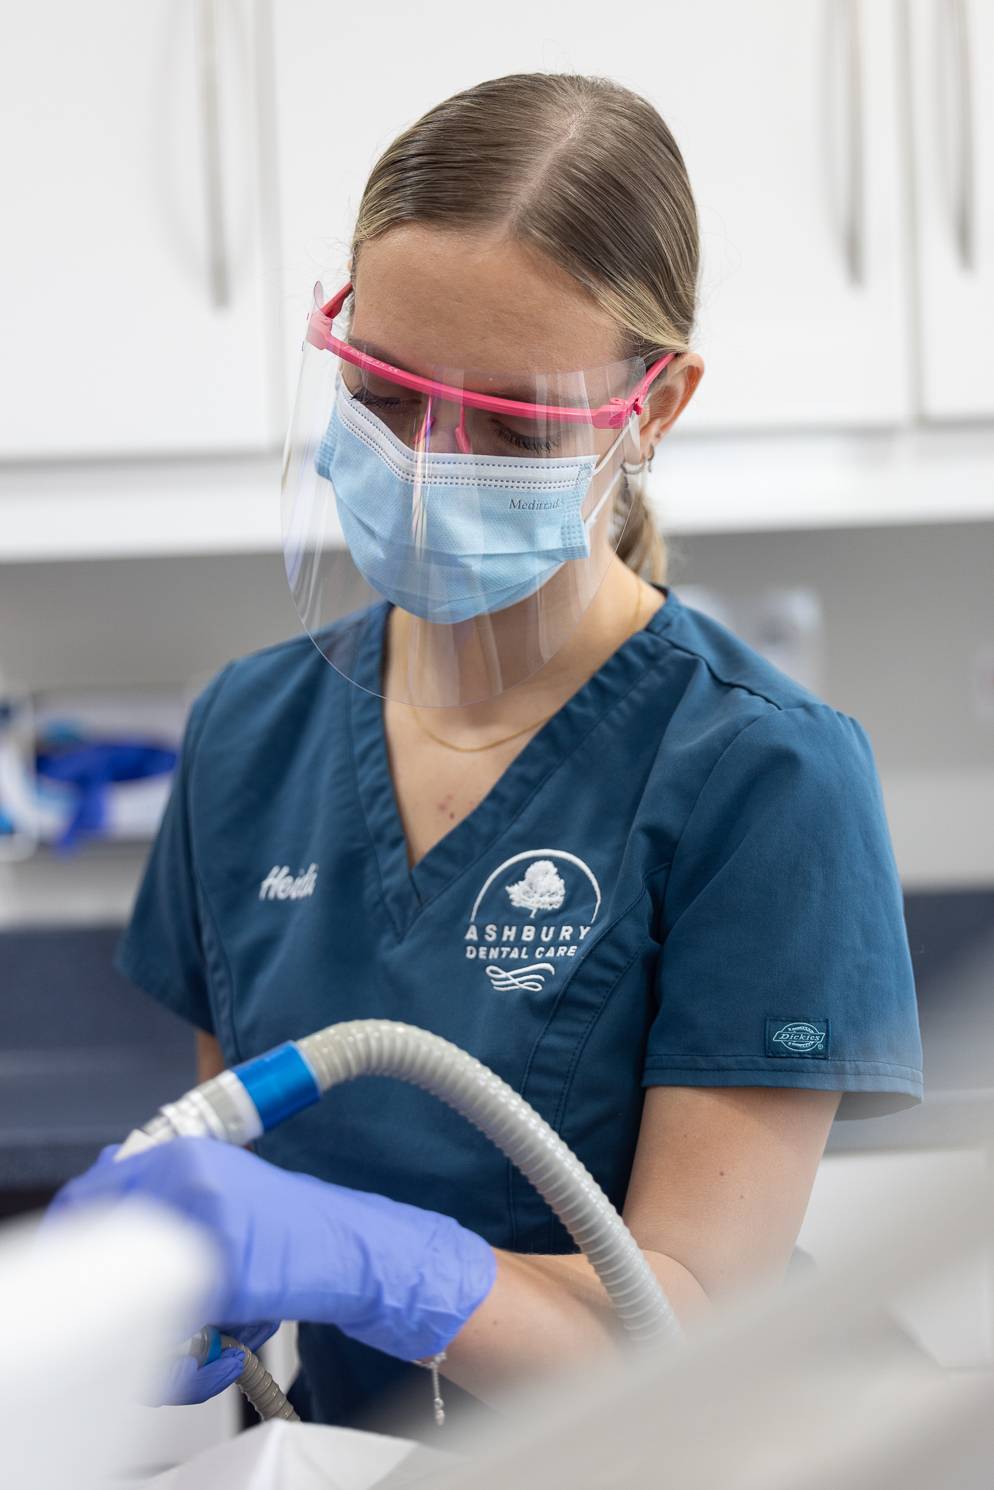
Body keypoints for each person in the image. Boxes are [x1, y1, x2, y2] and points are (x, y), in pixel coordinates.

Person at [48, 73, 923, 1437]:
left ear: (655, 404)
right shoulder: (246, 736)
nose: (425, 463)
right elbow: (229, 1147)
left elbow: (688, 1316)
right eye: (387, 397)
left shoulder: (763, 778)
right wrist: (182, 1276)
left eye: (511, 425)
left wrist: (359, 1255)